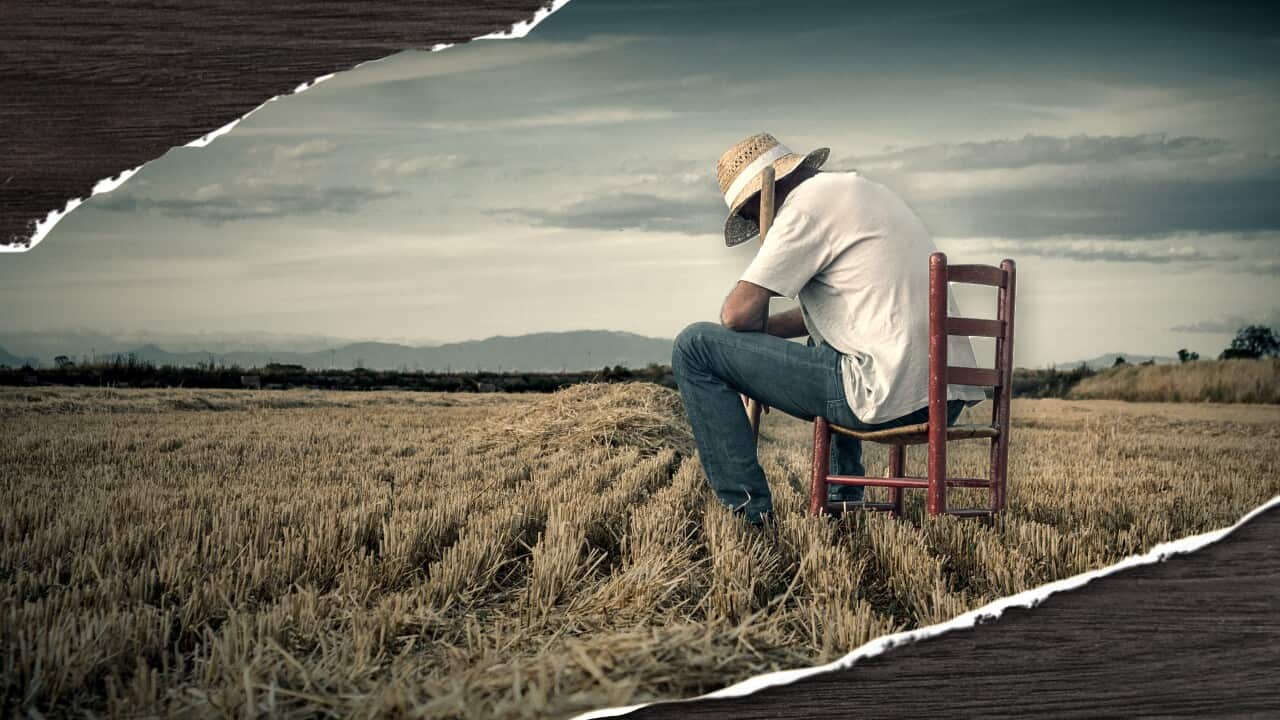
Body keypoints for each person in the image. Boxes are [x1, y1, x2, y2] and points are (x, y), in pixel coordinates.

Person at [671, 132, 986, 525]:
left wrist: (746, 352)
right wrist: (753, 360)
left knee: (694, 346)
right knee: (823, 339)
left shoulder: (803, 210)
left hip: (887, 393)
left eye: (749, 215)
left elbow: (737, 315)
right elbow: (836, 315)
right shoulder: (860, 191)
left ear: (759, 197)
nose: (754, 223)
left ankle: (748, 514)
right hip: (942, 395)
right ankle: (843, 502)